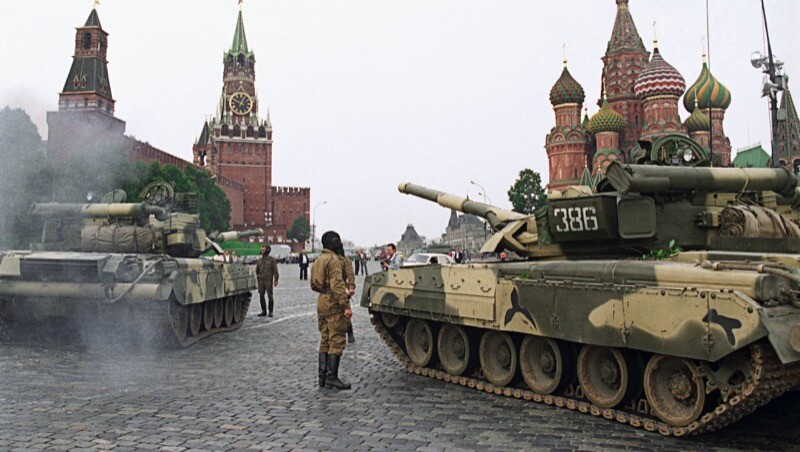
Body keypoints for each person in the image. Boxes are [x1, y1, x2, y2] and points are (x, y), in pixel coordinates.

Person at [311, 231, 352, 390]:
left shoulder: (318, 259)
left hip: (322, 300)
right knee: (336, 339)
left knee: (325, 339)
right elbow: (337, 286)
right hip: (333, 303)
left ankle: (322, 377)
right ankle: (331, 377)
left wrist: (324, 290)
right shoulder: (333, 260)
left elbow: (313, 284)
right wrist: (346, 306)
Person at [334, 243, 357, 344]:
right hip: (331, 288)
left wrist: (351, 287)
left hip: (342, 287)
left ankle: (350, 332)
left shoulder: (345, 260)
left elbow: (350, 274)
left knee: (345, 310)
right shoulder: (330, 260)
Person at [256, 245, 279, 317]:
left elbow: (275, 270)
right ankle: (264, 311)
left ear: (267, 250)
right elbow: (257, 270)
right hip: (261, 280)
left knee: (270, 295)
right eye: (261, 250)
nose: (262, 250)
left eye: (263, 249)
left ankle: (270, 311)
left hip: (268, 280)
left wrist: (276, 279)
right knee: (261, 295)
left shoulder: (271, 259)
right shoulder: (259, 260)